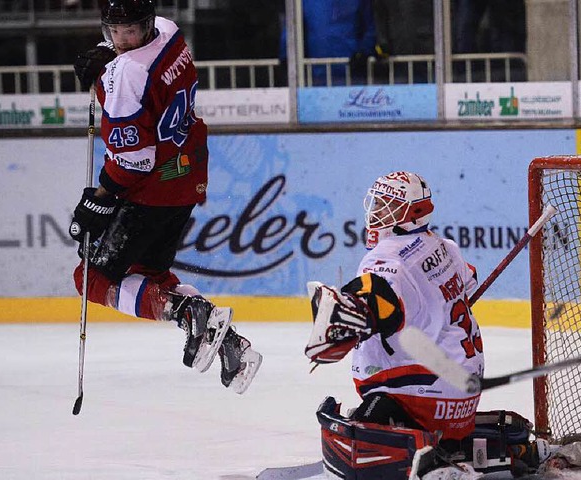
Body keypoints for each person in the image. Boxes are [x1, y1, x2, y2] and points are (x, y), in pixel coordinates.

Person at [70, 0, 261, 394]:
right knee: (152, 279)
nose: (122, 40)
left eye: (129, 32)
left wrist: (99, 199)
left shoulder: (126, 73)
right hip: (185, 175)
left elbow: (134, 160)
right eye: (114, 32)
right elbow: (147, 93)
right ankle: (229, 343)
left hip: (151, 188)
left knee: (90, 277)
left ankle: (187, 310)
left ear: (144, 25)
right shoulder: (169, 30)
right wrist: (105, 66)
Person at [303, 172, 548, 477]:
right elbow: (466, 279)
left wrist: (339, 328)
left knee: (357, 433)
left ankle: (432, 465)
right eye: (377, 204)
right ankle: (479, 448)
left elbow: (375, 301)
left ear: (411, 214)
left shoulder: (384, 259)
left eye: (386, 206)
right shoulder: (443, 246)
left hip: (422, 396)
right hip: (461, 399)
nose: (376, 212)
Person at [279, 0, 376, 86]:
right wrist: (286, 55)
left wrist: (364, 51)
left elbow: (371, 26)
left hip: (351, 73)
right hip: (317, 74)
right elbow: (292, 27)